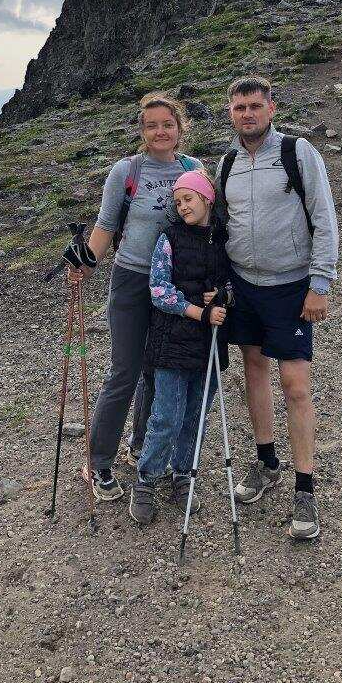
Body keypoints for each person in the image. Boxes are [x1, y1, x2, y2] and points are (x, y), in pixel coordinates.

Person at [215, 75, 339, 540]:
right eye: (239, 107)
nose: (247, 113)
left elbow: (324, 216)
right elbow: (222, 225)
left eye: (254, 105)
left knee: (296, 383)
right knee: (252, 367)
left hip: (291, 286)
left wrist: (320, 283)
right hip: (244, 285)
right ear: (230, 113)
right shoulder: (226, 164)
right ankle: (267, 463)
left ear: (271, 108)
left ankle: (305, 487)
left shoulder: (297, 152)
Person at [66, 92, 202, 500]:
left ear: (180, 128)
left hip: (175, 286)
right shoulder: (127, 170)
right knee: (124, 371)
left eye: (168, 124)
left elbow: (203, 224)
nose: (160, 131)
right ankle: (98, 461)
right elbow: (106, 226)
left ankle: (142, 446)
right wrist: (85, 268)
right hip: (130, 280)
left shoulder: (194, 169)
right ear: (142, 131)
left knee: (157, 371)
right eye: (152, 125)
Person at [129, 170, 230, 525]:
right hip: (171, 343)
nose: (182, 206)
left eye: (188, 198)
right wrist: (199, 312)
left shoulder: (222, 241)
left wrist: (223, 296)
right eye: (177, 202)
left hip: (210, 345)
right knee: (166, 417)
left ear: (207, 199)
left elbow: (232, 283)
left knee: (194, 417)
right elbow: (159, 291)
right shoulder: (169, 238)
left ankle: (183, 475)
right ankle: (146, 480)